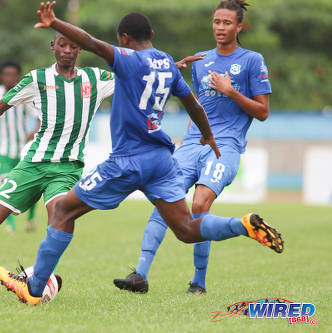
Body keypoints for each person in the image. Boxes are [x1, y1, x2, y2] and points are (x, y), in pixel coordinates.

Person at [0, 1, 283, 306]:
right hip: (161, 161)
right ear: (153, 33)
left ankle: (35, 287)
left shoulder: (128, 59)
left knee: (64, 211)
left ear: (123, 38)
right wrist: (208, 136)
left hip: (126, 161)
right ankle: (242, 225)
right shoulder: (168, 64)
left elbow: (90, 42)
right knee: (186, 229)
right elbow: (194, 105)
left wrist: (56, 22)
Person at [113, 0, 273, 295]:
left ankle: (198, 282)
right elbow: (196, 105)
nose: (220, 28)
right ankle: (139, 275)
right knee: (165, 198)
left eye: (227, 23)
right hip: (191, 144)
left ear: (240, 27)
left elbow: (262, 111)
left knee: (199, 205)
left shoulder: (252, 60)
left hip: (225, 146)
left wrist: (231, 91)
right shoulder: (201, 61)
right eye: (216, 22)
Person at [0, 31, 115, 238]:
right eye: (62, 45)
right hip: (34, 163)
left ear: (81, 49)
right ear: (52, 46)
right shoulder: (37, 79)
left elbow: (132, 79)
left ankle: (41, 272)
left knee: (60, 218)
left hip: (68, 167)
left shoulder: (96, 78)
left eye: (73, 47)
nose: (67, 51)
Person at [0, 60, 40, 232]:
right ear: (1, 76)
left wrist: (33, 132)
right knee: (5, 185)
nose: (9, 78)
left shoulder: (25, 94)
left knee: (32, 188)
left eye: (13, 74)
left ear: (18, 76)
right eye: (6, 74)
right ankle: (10, 225)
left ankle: (30, 218)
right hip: (3, 150)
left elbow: (39, 117)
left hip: (23, 149)